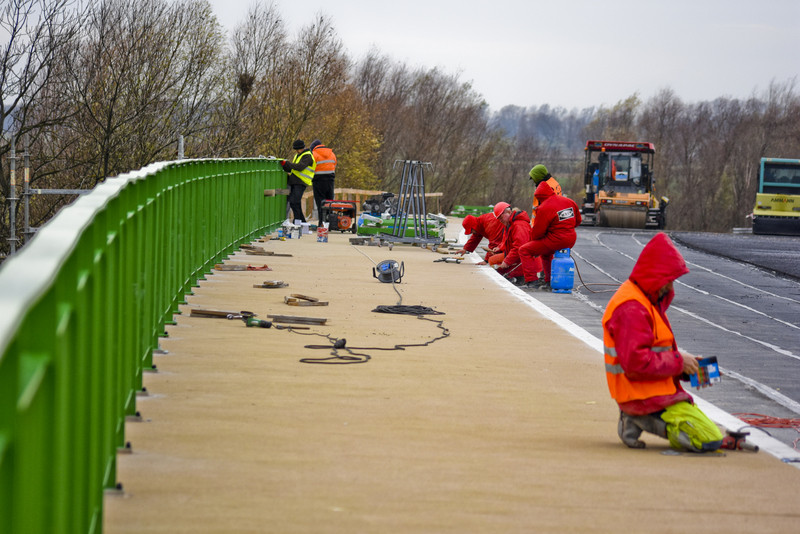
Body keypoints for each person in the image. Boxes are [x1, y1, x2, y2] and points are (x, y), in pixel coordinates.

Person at [601, 233, 724, 452]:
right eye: (669, 279)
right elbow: (636, 364)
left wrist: (688, 368)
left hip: (653, 392)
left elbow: (655, 352)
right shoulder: (632, 308)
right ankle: (635, 417)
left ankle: (635, 418)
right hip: (642, 396)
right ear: (656, 276)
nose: (670, 286)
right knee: (707, 439)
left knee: (711, 436)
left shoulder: (644, 301)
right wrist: (679, 362)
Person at [519, 181, 581, 289]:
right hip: (571, 238)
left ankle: (532, 281)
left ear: (539, 197)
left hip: (556, 240)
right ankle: (549, 281)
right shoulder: (569, 201)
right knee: (546, 253)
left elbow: (538, 232)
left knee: (524, 250)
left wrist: (533, 243)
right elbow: (578, 221)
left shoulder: (543, 208)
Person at [493, 202, 531, 284]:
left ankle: (530, 281)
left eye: (501, 218)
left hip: (524, 264)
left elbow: (519, 246)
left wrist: (507, 261)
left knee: (493, 263)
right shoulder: (510, 225)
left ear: (509, 213)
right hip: (518, 261)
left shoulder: (518, 225)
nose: (500, 221)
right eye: (499, 219)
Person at [281, 139, 316, 223]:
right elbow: (293, 168)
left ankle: (297, 222)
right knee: (295, 202)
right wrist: (285, 165)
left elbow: (300, 167)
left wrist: (287, 163)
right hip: (295, 181)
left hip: (301, 182)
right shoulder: (299, 155)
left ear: (302, 148)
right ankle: (302, 222)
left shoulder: (307, 156)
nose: (296, 151)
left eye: (297, 149)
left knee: (294, 202)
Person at [309, 139, 337, 226]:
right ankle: (330, 222)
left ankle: (321, 222)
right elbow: (334, 165)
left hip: (318, 180)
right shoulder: (332, 154)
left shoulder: (314, 154)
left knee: (320, 202)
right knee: (329, 202)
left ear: (313, 148)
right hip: (330, 180)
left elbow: (310, 168)